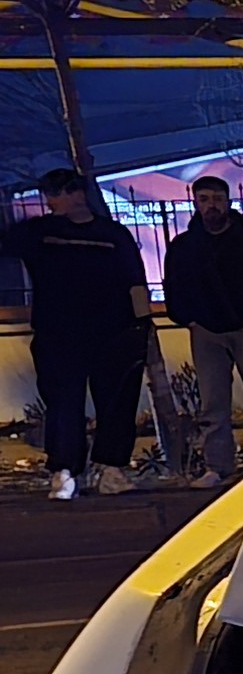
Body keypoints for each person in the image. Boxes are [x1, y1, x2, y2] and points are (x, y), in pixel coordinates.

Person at [6, 170, 152, 501]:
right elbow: (8, 242)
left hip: (113, 332)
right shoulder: (39, 232)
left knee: (116, 401)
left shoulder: (111, 235)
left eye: (55, 194)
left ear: (76, 194)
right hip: (59, 333)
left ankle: (110, 468)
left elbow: (134, 280)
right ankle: (65, 470)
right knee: (63, 402)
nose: (50, 202)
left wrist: (143, 328)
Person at [160, 175, 243, 487]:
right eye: (204, 199)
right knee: (212, 403)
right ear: (195, 203)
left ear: (228, 201)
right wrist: (188, 319)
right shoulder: (184, 247)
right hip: (206, 330)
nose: (211, 206)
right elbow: (174, 289)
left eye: (216, 199)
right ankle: (217, 467)